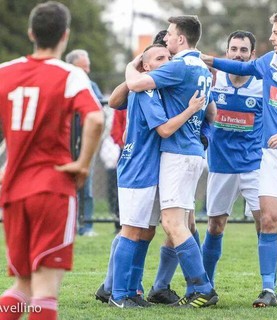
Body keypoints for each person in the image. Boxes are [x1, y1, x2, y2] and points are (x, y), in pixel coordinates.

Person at [202, 10, 277, 308]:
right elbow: (237, 65)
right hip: (271, 156)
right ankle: (268, 288)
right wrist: (208, 59)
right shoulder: (270, 62)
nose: (272, 38)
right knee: (268, 220)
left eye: (276, 33)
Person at [0, 2, 104, 320]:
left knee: (22, 285)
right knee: (45, 287)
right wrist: (83, 164)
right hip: (51, 187)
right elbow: (96, 119)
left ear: (31, 33)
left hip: (13, 189)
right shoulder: (69, 74)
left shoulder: (5, 72)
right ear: (65, 36)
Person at [103, 43, 206, 308]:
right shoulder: (146, 90)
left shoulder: (159, 88)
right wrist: (191, 110)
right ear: (145, 66)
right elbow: (163, 130)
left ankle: (133, 293)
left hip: (151, 169)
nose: (167, 61)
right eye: (159, 58)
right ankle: (118, 294)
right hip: (138, 167)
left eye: (169, 57)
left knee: (144, 232)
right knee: (131, 230)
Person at [126, 15, 218, 308]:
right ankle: (173, 287)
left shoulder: (178, 66)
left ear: (181, 39)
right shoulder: (203, 69)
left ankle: (203, 288)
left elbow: (136, 84)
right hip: (193, 151)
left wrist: (133, 64)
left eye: (170, 36)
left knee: (172, 223)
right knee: (185, 223)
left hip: (177, 154)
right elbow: (212, 113)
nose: (165, 39)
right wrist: (199, 128)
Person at [201, 30, 277, 305]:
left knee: (266, 223)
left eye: (243, 50)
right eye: (233, 49)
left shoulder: (263, 82)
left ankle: (269, 287)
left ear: (252, 55)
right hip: (220, 165)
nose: (237, 54)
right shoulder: (214, 80)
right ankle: (206, 285)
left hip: (254, 165)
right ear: (227, 52)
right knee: (215, 226)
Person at [65, 49, 104, 236]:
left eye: (87, 67)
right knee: (65, 186)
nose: (87, 71)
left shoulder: (92, 86)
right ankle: (68, 225)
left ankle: (86, 225)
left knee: (86, 187)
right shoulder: (63, 84)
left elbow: (99, 113)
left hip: (86, 143)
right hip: (66, 143)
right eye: (83, 67)